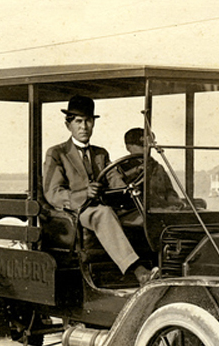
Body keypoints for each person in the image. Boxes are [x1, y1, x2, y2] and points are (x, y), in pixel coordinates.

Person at [43, 96, 157, 285]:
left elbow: (115, 181)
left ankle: (163, 266)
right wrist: (84, 194)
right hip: (77, 211)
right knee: (102, 213)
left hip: (106, 208)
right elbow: (53, 193)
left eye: (88, 121)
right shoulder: (57, 153)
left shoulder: (100, 154)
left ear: (93, 123)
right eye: (78, 121)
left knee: (147, 215)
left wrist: (129, 188)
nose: (84, 127)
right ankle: (138, 271)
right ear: (68, 125)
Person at [124, 128, 183, 209]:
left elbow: (169, 191)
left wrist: (175, 203)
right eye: (140, 146)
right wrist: (135, 171)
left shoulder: (157, 167)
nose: (145, 149)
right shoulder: (122, 169)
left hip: (161, 208)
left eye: (148, 146)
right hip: (138, 210)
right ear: (128, 147)